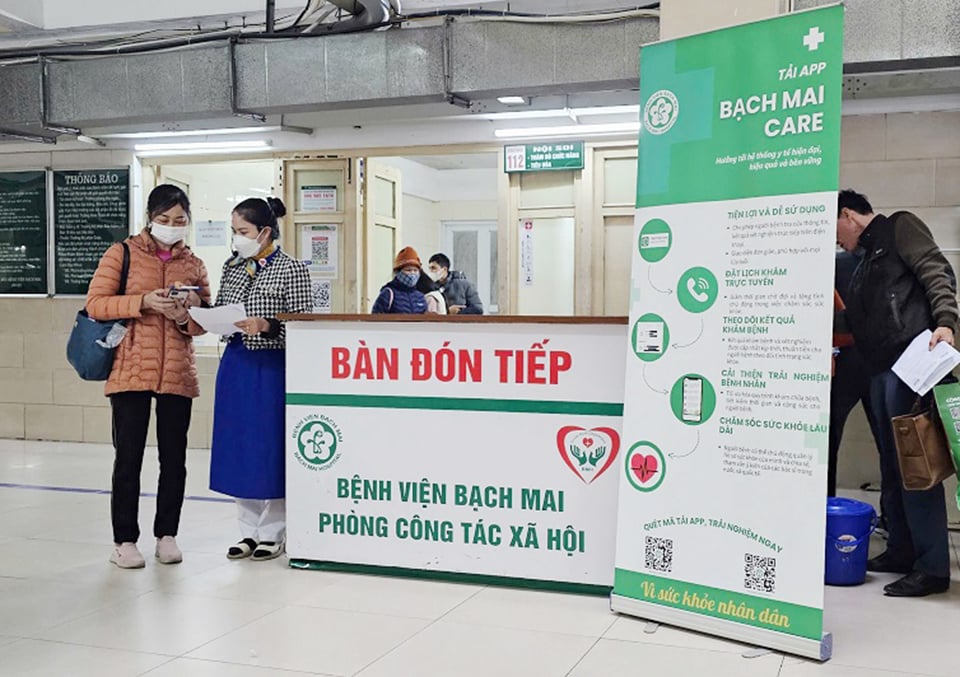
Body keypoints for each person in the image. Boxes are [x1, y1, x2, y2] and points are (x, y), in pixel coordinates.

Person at [836, 189, 958, 597]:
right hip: (881, 370)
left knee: (916, 465)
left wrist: (946, 322)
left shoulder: (899, 227)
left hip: (913, 363)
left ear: (849, 214)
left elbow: (936, 271)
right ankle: (902, 551)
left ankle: (933, 568)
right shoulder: (862, 261)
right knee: (892, 464)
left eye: (836, 228)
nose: (837, 240)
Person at [86, 184, 211, 569]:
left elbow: (204, 320)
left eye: (179, 221)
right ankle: (124, 540)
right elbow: (95, 303)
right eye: (164, 220)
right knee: (129, 458)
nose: (172, 227)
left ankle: (167, 535)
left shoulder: (194, 263)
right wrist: (142, 302)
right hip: (130, 369)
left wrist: (183, 315)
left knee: (174, 460)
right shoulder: (121, 253)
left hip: (177, 371)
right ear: (149, 218)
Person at [209, 197, 312, 561]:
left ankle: (274, 531)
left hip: (272, 366)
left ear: (265, 232)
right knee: (239, 447)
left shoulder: (292, 269)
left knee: (271, 446)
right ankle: (247, 530)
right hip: (236, 363)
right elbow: (223, 305)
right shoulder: (232, 267)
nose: (237, 239)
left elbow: (302, 325)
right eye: (234, 232)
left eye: (244, 232)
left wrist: (267, 326)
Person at [827, 250, 885, 498]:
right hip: (881, 359)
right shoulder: (886, 262)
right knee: (888, 443)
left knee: (827, 443)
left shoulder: (834, 263)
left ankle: (824, 509)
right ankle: (892, 518)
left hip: (842, 360)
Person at [371, 246, 428, 314]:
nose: (412, 273)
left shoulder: (420, 297)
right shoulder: (388, 294)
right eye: (408, 270)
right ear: (398, 272)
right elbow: (376, 319)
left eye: (415, 270)